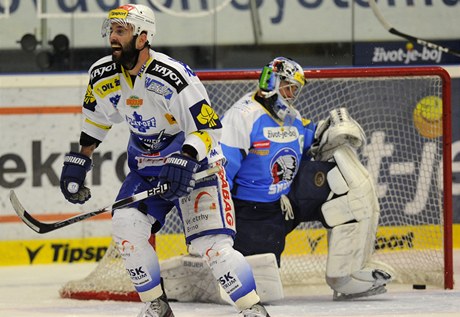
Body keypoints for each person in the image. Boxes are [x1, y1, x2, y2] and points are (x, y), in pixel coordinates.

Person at [58, 4, 270, 317]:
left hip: (199, 168)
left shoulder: (173, 76)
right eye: (111, 31)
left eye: (121, 31)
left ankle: (253, 310)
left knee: (211, 247)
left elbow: (209, 128)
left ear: (143, 37)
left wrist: (186, 157)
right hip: (146, 169)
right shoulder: (101, 75)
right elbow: (96, 120)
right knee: (126, 228)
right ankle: (157, 306)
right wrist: (81, 159)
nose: (113, 38)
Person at [220, 57, 393, 300]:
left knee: (346, 183)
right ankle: (207, 268)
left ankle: (346, 276)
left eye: (295, 90)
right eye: (287, 86)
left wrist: (333, 130)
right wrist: (219, 228)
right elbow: (222, 172)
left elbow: (313, 140)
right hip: (251, 212)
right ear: (270, 81)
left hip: (287, 201)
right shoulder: (243, 116)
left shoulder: (292, 117)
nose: (291, 95)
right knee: (262, 292)